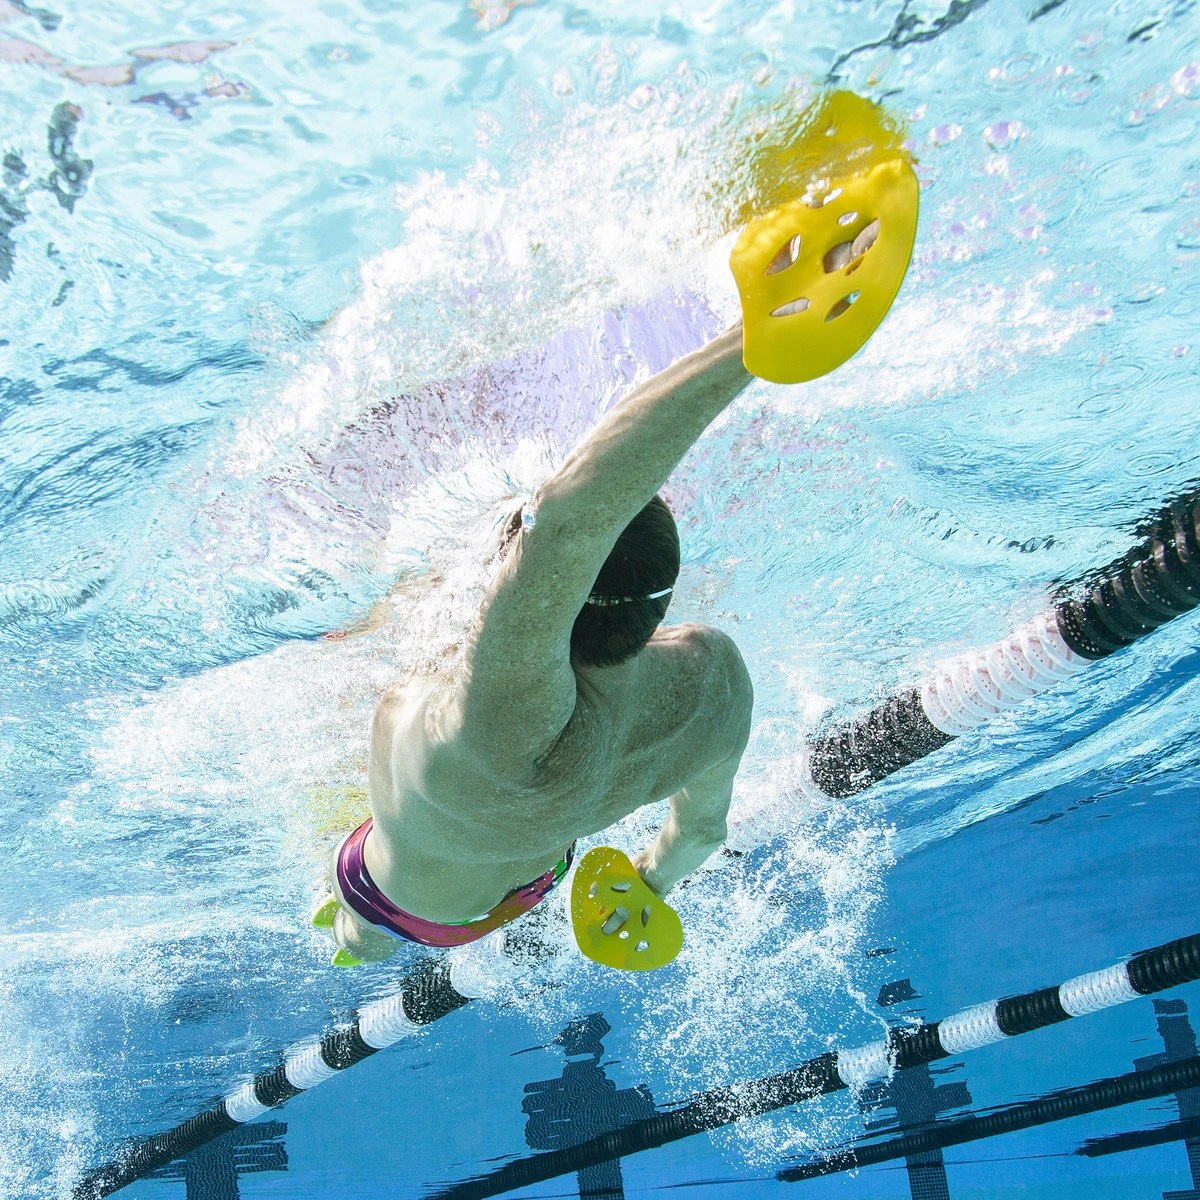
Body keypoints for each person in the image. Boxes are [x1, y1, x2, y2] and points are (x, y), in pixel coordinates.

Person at [324, 323, 757, 962]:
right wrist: (648, 884)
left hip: (401, 902)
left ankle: (355, 939)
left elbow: (569, 524)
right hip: (524, 882)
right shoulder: (715, 680)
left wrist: (751, 344)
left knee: (353, 932)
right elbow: (701, 832)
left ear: (536, 592)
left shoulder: (505, 715)